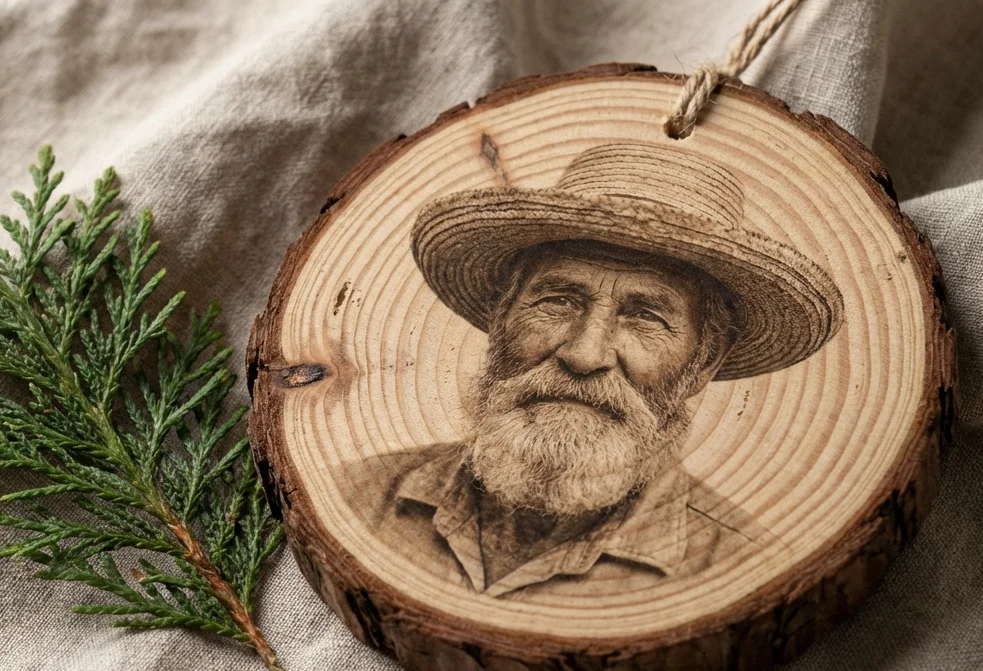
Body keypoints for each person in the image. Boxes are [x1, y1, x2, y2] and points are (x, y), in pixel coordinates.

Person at [343, 142, 843, 598]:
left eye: (644, 317)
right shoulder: (354, 496)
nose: (585, 355)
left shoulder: (745, 576)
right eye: (559, 300)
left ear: (702, 363)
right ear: (500, 319)